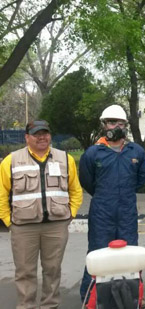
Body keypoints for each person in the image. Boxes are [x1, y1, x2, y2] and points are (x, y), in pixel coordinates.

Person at [0, 120, 83, 308]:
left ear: (50, 135)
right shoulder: (11, 160)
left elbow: (76, 191)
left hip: (56, 225)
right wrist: (8, 221)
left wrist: (70, 215)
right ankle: (26, 306)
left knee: (52, 270)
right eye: (36, 134)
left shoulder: (65, 159)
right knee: (25, 272)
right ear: (27, 137)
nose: (41, 137)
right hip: (23, 228)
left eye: (45, 133)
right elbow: (1, 194)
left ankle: (50, 305)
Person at [79, 105, 145, 301]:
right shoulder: (93, 153)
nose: (116, 126)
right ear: (103, 125)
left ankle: (133, 296)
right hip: (102, 209)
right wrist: (106, 195)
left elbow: (142, 178)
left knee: (130, 252)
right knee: (97, 251)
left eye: (120, 122)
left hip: (127, 208)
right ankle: (90, 295)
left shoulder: (136, 151)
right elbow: (87, 181)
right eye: (111, 122)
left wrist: (124, 192)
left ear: (126, 125)